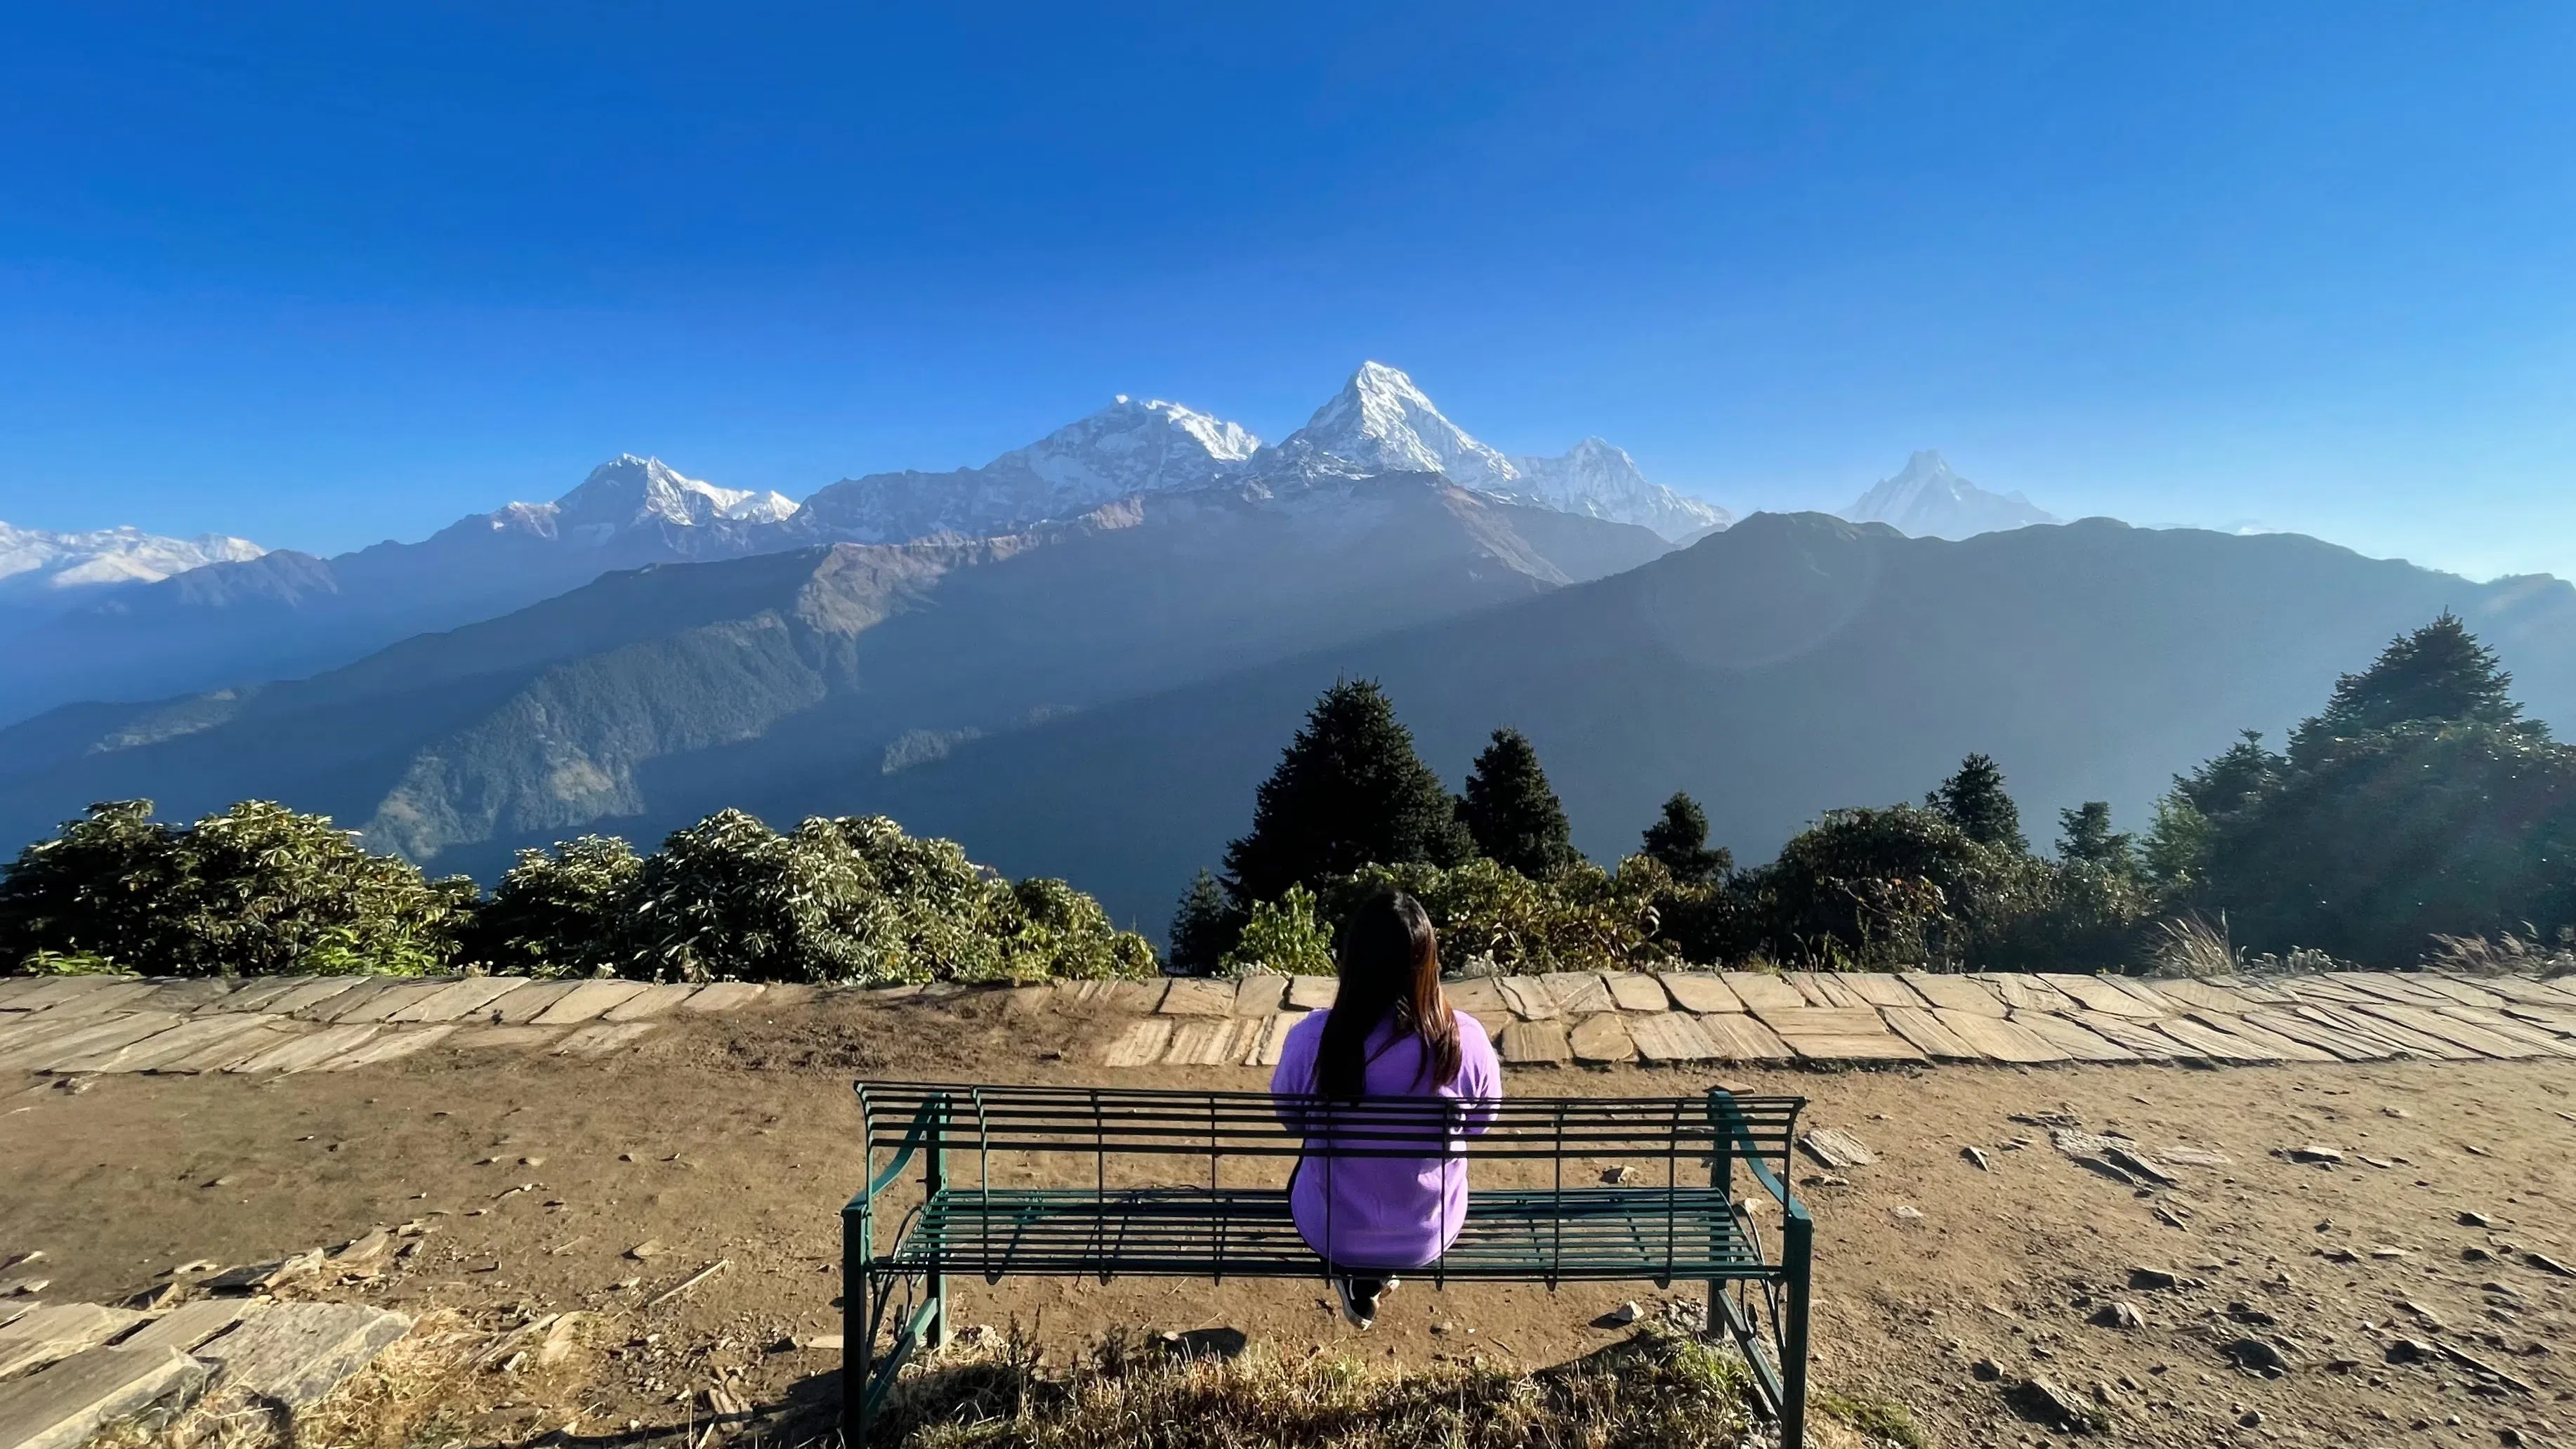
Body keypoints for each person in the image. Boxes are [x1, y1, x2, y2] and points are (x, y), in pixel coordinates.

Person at [1268, 886, 1502, 1329]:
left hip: (1332, 1230)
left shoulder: (1315, 1039)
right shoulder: (1464, 1041)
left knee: (1309, 1156)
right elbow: (1479, 1125)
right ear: (1428, 964)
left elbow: (1290, 1118)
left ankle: (1359, 1270)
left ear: (1352, 963)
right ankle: (1376, 1266)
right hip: (1427, 1231)